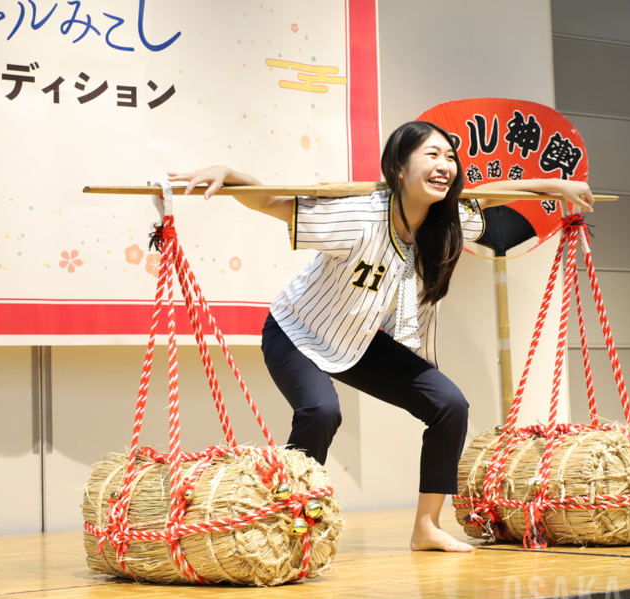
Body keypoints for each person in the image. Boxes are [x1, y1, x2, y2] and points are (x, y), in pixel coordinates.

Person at [168, 121, 594, 553]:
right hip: (298, 329)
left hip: (357, 339)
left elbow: (494, 192)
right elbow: (275, 200)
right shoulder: (358, 216)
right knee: (319, 411)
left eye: (450, 157)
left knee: (449, 405)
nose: (444, 164)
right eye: (431, 155)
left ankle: (426, 527)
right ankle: (289, 517)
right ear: (398, 168)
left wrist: (556, 185)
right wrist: (232, 173)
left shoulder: (451, 223)